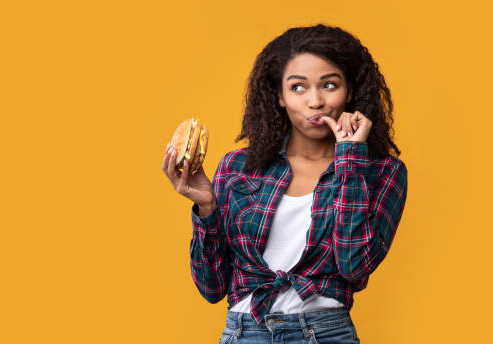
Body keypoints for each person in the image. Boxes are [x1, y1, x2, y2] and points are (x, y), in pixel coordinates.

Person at [161, 23, 407, 344]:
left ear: (350, 92)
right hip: (245, 331)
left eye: (329, 85)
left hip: (324, 333)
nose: (315, 101)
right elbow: (211, 288)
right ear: (279, 95)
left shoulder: (382, 171)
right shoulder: (239, 167)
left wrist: (349, 158)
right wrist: (206, 208)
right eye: (298, 87)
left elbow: (353, 266)